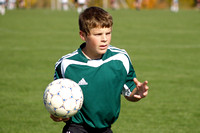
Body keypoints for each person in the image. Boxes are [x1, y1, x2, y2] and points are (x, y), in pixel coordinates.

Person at [51, 6, 149, 133]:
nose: (104, 39)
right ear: (83, 35)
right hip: (77, 127)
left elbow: (129, 92)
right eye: (98, 34)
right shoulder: (66, 64)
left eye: (108, 33)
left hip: (105, 128)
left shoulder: (120, 59)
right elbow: (57, 98)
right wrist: (57, 113)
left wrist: (138, 93)